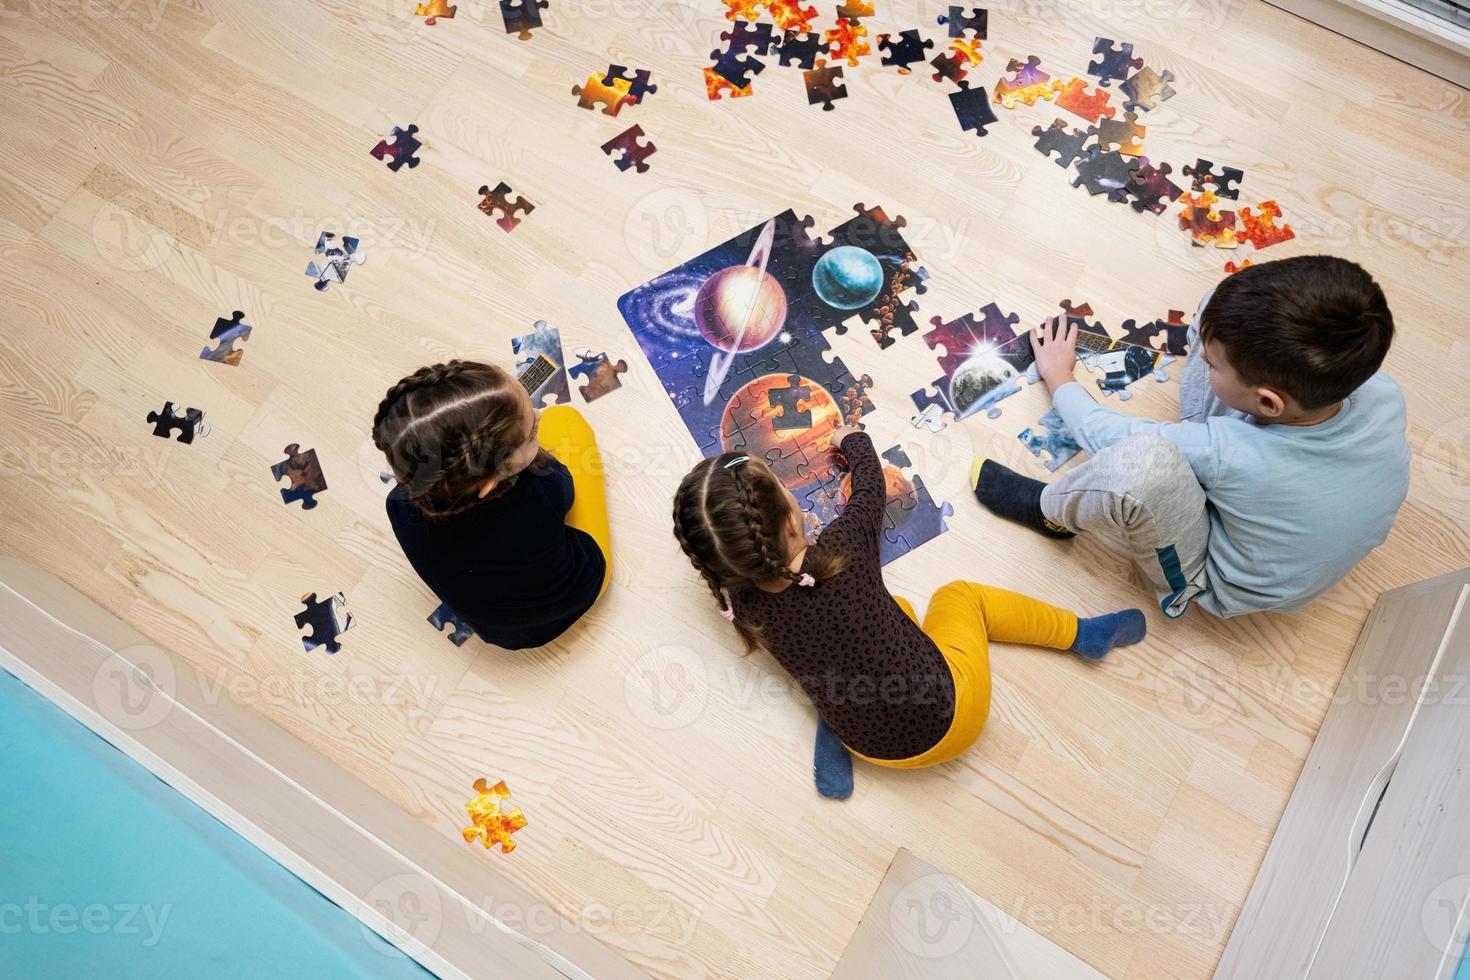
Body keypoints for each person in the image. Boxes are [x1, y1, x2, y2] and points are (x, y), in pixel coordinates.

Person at [671, 427, 1146, 798]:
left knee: (870, 627)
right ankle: (1081, 634)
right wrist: (851, 441)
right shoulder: (842, 550)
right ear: (793, 518)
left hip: (870, 746)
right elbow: (870, 489)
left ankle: (836, 742)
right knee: (959, 597)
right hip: (954, 718)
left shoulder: (740, 605)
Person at [972, 255, 1409, 618]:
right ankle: (1225, 380)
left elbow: (1097, 431)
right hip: (1295, 513)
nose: (1202, 357)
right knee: (1218, 305)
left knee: (1140, 469)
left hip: (1219, 579)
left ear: (1269, 404)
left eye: (1213, 365)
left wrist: (1057, 373)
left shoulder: (1228, 453)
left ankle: (1051, 513)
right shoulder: (1381, 391)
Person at [374, 360, 611, 649]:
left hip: (500, 634)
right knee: (564, 419)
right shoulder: (542, 491)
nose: (538, 413)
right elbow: (564, 489)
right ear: (488, 483)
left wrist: (517, 437)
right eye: (531, 432)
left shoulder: (398, 505)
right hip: (576, 592)